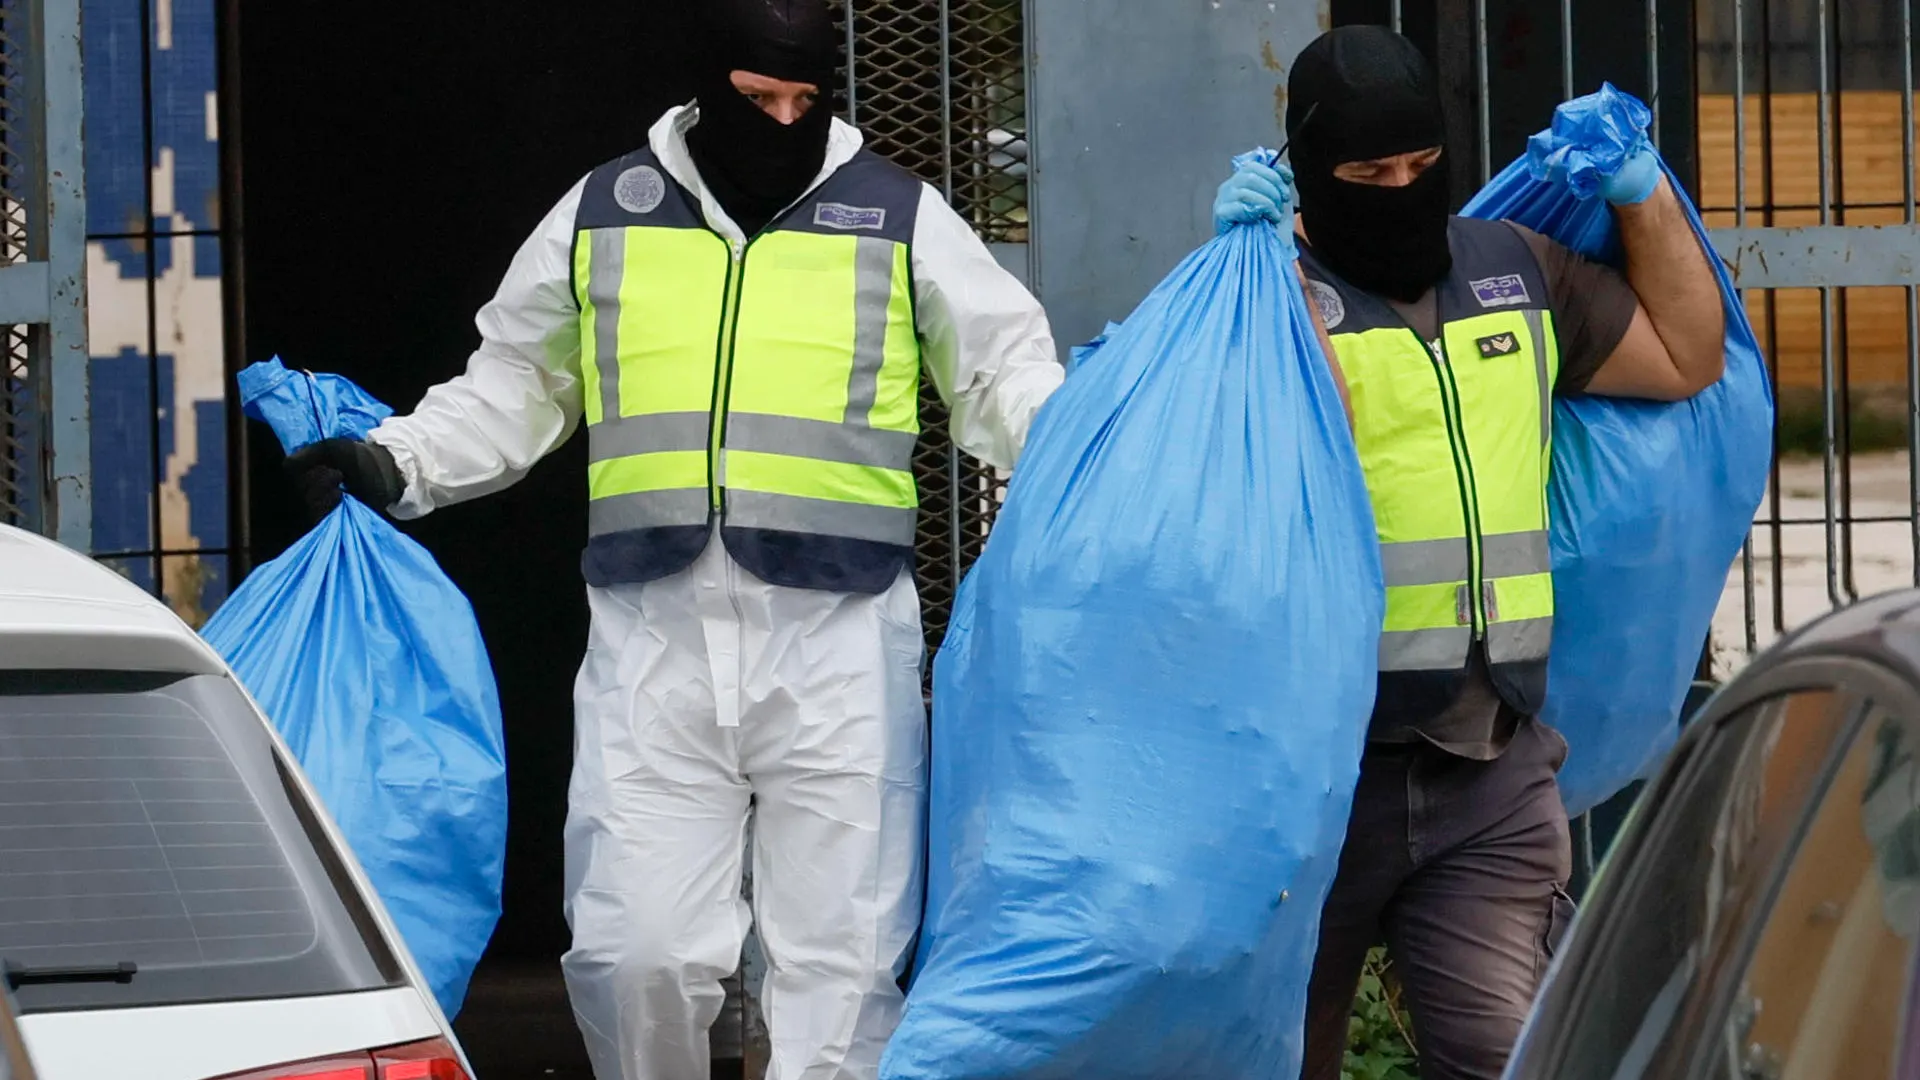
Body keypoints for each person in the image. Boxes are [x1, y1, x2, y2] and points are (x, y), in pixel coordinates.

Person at [286, 1, 1064, 1076]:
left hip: (838, 646)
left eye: (806, 101)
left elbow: (1005, 375)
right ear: (709, 88)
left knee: (837, 979)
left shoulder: (899, 216)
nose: (785, 120)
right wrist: (399, 461)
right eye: (759, 100)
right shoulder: (604, 212)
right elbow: (515, 384)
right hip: (656, 640)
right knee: (632, 954)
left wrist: (1100, 449)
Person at [1211, 25, 1726, 1080]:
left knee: (1515, 1060)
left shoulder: (1515, 272)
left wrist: (1643, 191)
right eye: (1366, 174)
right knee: (1263, 1063)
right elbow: (1236, 443)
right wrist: (1243, 265)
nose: (1400, 191)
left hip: (1487, 767)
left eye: (1419, 166)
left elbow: (1686, 353)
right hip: (1307, 777)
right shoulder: (1261, 293)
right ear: (1312, 171)